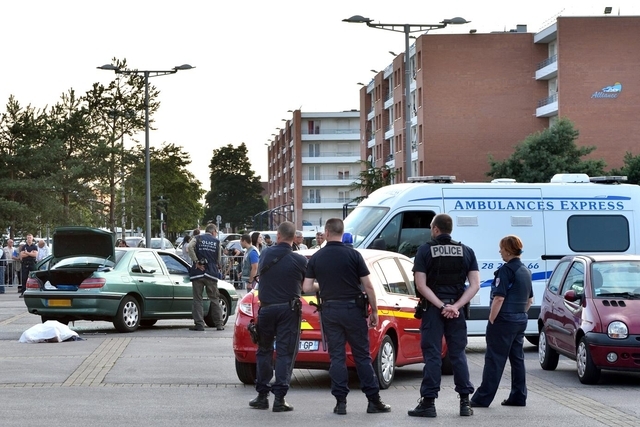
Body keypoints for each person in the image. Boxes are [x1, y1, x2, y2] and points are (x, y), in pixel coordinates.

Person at [302, 218, 390, 415]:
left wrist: (322, 286)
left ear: (326, 232)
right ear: (342, 233)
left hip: (330, 311)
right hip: (353, 311)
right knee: (362, 357)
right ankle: (373, 400)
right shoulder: (354, 255)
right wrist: (374, 311)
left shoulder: (317, 257)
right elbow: (368, 285)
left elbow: (307, 287)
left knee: (337, 358)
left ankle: (340, 402)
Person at [408, 213, 480, 418]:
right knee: (458, 355)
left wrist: (441, 306)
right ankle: (465, 403)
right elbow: (475, 285)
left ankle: (428, 403)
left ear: (436, 229)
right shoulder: (466, 251)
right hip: (456, 311)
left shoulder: (424, 250)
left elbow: (421, 286)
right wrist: (455, 306)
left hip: (433, 309)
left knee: (432, 355)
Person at [249, 221, 308, 412]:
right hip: (289, 311)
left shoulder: (265, 253)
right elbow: (306, 287)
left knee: (264, 351)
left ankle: (261, 396)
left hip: (265, 309)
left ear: (278, 236)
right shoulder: (299, 261)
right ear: (294, 238)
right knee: (284, 353)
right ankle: (279, 399)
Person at [470, 235, 533, 408]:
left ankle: (482, 398)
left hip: (504, 319)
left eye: (501, 249)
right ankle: (518, 396)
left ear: (508, 250)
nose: (500, 252)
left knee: (494, 360)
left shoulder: (506, 271)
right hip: (520, 319)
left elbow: (499, 298)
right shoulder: (526, 271)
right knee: (517, 359)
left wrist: (492, 320)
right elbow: (530, 301)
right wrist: (520, 314)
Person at [186, 223, 224, 331]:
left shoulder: (197, 238)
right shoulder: (216, 242)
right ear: (213, 231)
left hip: (198, 272)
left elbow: (189, 247)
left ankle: (199, 324)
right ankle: (219, 324)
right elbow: (218, 259)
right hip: (211, 273)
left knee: (197, 299)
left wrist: (196, 261)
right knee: (215, 299)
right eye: (216, 232)